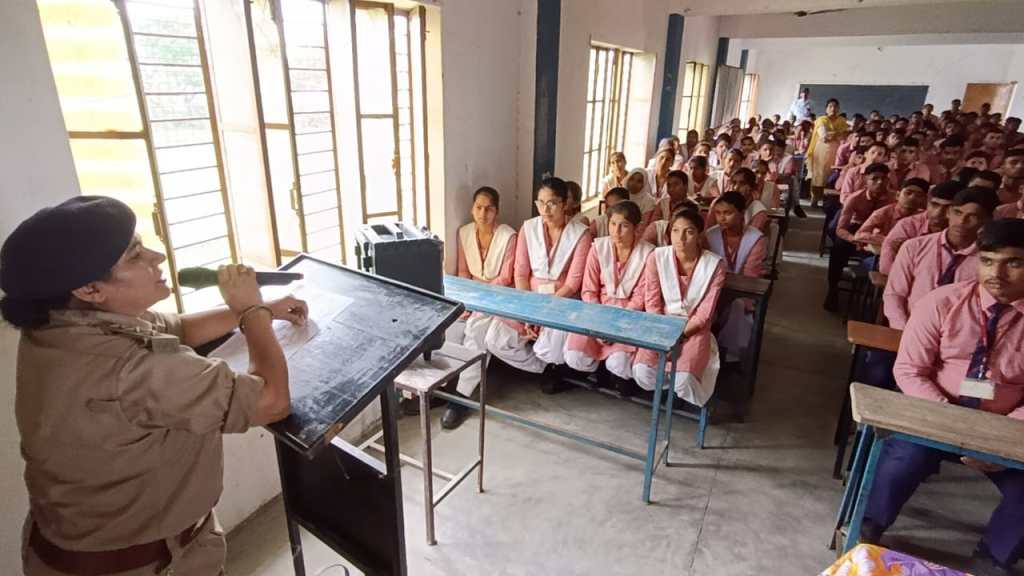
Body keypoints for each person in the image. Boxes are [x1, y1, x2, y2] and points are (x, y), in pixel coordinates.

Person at [4, 196, 307, 575]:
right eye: (135, 256)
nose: (157, 257)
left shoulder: (60, 325)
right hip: (144, 565)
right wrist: (251, 311)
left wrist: (262, 309)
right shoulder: (130, 368)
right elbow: (272, 401)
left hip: (70, 549)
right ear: (90, 289)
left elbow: (177, 328)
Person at [860, 218, 1024, 574]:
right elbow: (909, 370)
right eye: (987, 261)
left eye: (1013, 263)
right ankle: (867, 526)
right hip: (934, 414)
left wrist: (999, 439)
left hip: (1006, 428)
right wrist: (948, 422)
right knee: (901, 459)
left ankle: (993, 556)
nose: (997, 274)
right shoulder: (942, 302)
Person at [484, 177, 593, 392]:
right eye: (541, 203)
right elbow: (521, 274)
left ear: (565, 204)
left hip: (562, 301)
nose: (545, 209)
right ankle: (544, 369)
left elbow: (573, 283)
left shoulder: (581, 233)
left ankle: (554, 365)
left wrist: (543, 314)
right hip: (529, 298)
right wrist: (529, 312)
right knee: (495, 339)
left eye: (552, 203)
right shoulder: (529, 228)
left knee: (548, 348)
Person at [633, 209, 726, 405]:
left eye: (689, 232)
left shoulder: (714, 265)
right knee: (643, 371)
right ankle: (667, 387)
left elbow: (704, 313)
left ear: (699, 235)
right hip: (661, 324)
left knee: (684, 379)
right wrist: (663, 334)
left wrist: (679, 338)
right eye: (675, 231)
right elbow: (652, 302)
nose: (680, 238)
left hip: (693, 328)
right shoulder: (657, 257)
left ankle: (678, 392)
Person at [444, 187, 518, 429]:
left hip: (498, 297)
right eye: (478, 207)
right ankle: (443, 388)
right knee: (449, 330)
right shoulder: (464, 233)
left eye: (489, 208)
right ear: (471, 209)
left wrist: (479, 300)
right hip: (471, 295)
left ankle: (462, 398)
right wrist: (465, 303)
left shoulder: (509, 236)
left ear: (497, 211)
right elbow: (463, 272)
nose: (483, 213)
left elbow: (506, 277)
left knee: (475, 334)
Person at [564, 201, 654, 394]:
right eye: (613, 224)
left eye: (624, 226)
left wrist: (615, 328)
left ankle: (614, 372)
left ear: (637, 227)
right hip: (597, 313)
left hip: (628, 317)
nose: (617, 232)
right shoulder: (599, 248)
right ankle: (597, 368)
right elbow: (589, 291)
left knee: (619, 363)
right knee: (574, 356)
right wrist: (601, 323)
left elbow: (640, 297)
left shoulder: (648, 254)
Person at [883, 186, 999, 329]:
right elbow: (894, 294)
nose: (961, 221)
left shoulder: (989, 260)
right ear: (949, 213)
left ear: (987, 221)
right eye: (957, 212)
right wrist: (903, 329)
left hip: (959, 332)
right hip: (911, 325)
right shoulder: (914, 246)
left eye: (973, 216)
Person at [705, 192, 766, 361]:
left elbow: (750, 275)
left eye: (728, 213)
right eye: (718, 213)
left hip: (741, 293)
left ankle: (730, 356)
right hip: (714, 290)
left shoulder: (755, 239)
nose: (722, 218)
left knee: (738, 307)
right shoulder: (710, 235)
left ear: (741, 213)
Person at [824, 163, 894, 311]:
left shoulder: (892, 199)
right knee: (838, 248)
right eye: (875, 178)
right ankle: (833, 289)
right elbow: (841, 229)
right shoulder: (855, 198)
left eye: (883, 179)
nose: (879, 182)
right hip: (855, 231)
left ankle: (881, 303)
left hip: (879, 235)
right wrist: (854, 240)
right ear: (865, 180)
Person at [879, 180, 962, 276]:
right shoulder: (908, 225)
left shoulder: (964, 232)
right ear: (927, 203)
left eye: (948, 208)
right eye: (934, 205)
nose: (938, 213)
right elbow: (886, 267)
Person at [853, 177, 928, 248]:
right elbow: (859, 234)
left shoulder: (925, 217)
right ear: (897, 195)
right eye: (908, 193)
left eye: (919, 195)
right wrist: (889, 240)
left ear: (924, 199)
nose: (912, 197)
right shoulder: (884, 213)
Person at [806, 98, 850, 208]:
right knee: (819, 176)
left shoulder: (841, 121)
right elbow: (824, 137)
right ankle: (815, 198)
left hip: (837, 152)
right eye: (830, 106)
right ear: (826, 109)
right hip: (822, 151)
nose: (833, 108)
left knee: (832, 175)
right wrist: (837, 134)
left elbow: (845, 136)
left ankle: (828, 201)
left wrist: (833, 134)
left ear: (839, 109)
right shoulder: (821, 120)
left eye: (835, 106)